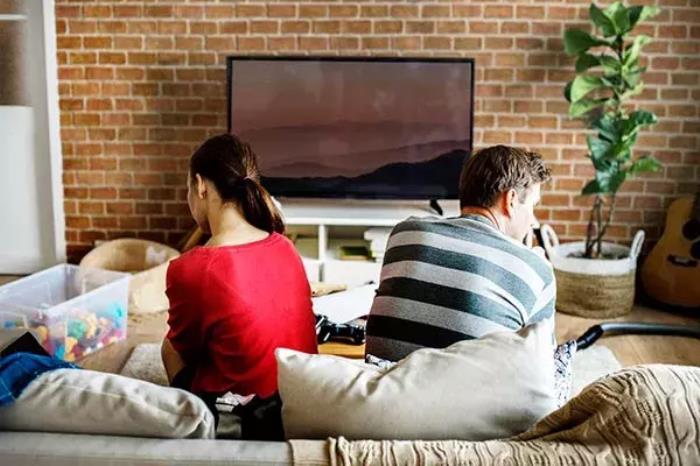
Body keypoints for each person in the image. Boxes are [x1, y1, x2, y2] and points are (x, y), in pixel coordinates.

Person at [161, 134, 318, 408]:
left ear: (200, 186)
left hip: (245, 416)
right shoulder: (284, 246)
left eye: (188, 188)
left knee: (170, 347)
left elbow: (186, 349)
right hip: (301, 400)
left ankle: (194, 416)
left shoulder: (192, 268)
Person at [365, 145, 555, 361]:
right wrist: (539, 269)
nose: (532, 221)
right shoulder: (535, 267)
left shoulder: (404, 233)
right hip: (466, 384)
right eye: (532, 205)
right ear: (510, 200)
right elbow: (544, 367)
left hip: (383, 379)